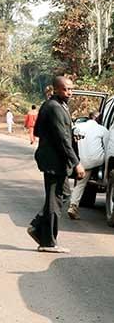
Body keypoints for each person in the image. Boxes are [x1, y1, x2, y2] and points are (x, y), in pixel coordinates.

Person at [29, 76, 85, 253]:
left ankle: (38, 226)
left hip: (54, 159)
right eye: (65, 89)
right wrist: (76, 163)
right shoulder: (54, 107)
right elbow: (62, 139)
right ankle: (48, 242)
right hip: (54, 162)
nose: (69, 92)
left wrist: (66, 133)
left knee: (63, 195)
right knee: (55, 200)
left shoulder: (54, 105)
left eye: (71, 89)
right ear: (56, 89)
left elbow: (40, 130)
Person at [68, 112, 108, 220]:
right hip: (98, 160)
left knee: (80, 184)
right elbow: (107, 147)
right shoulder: (103, 129)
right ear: (98, 119)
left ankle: (73, 205)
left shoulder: (78, 127)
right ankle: (101, 175)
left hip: (81, 161)